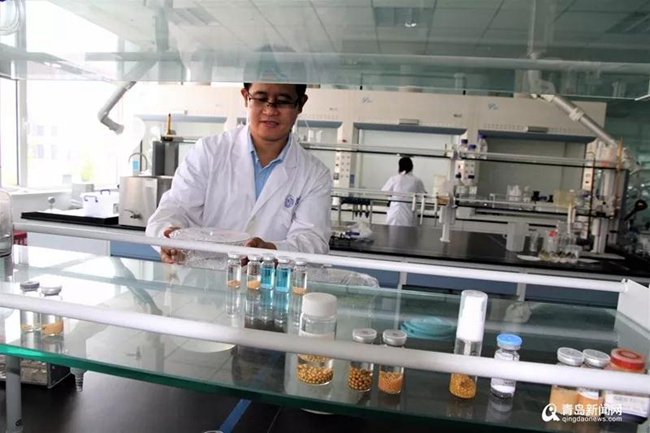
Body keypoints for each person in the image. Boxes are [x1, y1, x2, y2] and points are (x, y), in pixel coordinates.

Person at [146, 82, 332, 263]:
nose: (270, 111)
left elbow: (312, 241)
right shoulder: (209, 151)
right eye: (260, 98)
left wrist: (272, 251)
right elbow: (175, 208)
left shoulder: (314, 174)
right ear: (245, 97)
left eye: (283, 101)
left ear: (300, 104)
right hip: (204, 276)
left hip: (270, 279)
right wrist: (168, 237)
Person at [381, 157, 427, 227]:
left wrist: (392, 196)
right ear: (412, 166)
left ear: (399, 167)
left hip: (394, 213)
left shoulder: (394, 179)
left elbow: (385, 192)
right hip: (408, 214)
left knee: (392, 232)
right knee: (407, 232)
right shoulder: (416, 181)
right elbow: (423, 195)